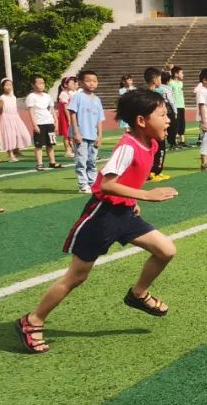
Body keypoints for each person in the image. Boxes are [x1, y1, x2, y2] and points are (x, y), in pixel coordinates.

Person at [14, 89, 178, 354]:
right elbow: (106, 184)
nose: (168, 119)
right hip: (101, 217)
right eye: (162, 114)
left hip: (125, 214)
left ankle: (138, 294)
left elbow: (127, 180)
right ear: (141, 120)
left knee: (166, 250)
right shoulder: (128, 146)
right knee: (77, 276)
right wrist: (146, 195)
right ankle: (32, 321)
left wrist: (133, 200)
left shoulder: (152, 144)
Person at [68, 69, 105, 194]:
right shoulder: (78, 97)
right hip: (81, 135)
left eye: (94, 81)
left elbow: (99, 119)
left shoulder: (97, 100)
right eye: (88, 81)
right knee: (81, 160)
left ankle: (93, 183)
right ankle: (83, 184)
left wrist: (100, 136)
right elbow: (73, 114)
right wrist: (76, 132)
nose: (92, 83)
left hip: (93, 135)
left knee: (92, 161)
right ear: (81, 83)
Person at [26, 76, 61, 171]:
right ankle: (40, 163)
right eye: (39, 83)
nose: (41, 85)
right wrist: (35, 125)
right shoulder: (31, 97)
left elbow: (52, 110)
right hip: (39, 123)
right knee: (39, 145)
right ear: (33, 85)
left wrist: (56, 121)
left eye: (43, 83)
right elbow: (31, 112)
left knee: (50, 144)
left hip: (49, 122)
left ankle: (52, 162)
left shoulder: (47, 96)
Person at [0, 78, 33, 162]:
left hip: (15, 117)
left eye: (10, 85)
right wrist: (5, 116)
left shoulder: (13, 97)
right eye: (7, 85)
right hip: (6, 118)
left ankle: (17, 150)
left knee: (21, 133)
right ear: (3, 87)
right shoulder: (2, 97)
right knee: (9, 136)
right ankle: (11, 155)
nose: (9, 87)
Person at [144, 67, 171, 182]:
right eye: (160, 78)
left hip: (151, 127)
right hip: (154, 127)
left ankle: (153, 171)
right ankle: (154, 171)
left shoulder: (149, 94)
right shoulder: (151, 96)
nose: (161, 80)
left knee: (154, 149)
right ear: (155, 79)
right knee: (159, 149)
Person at [56, 76, 77, 160]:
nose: (73, 85)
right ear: (65, 85)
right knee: (66, 134)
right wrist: (69, 119)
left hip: (70, 115)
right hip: (65, 116)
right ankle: (68, 150)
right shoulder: (63, 94)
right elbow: (65, 108)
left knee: (70, 134)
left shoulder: (71, 93)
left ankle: (72, 149)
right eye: (71, 83)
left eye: (73, 83)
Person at [169, 65, 186, 149]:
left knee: (182, 123)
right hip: (175, 106)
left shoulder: (181, 83)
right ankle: (175, 141)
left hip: (181, 105)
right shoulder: (171, 83)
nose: (183, 74)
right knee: (176, 124)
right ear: (176, 74)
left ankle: (182, 141)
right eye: (181, 73)